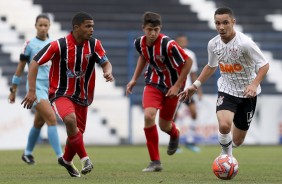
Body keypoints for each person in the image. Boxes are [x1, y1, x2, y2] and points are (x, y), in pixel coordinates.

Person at [21, 12, 114, 177]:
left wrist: (107, 72)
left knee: (76, 133)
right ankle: (85, 159)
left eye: (92, 26)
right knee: (70, 120)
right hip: (60, 93)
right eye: (88, 26)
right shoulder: (59, 45)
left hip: (82, 96)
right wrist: (32, 91)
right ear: (76, 28)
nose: (92, 29)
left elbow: (105, 62)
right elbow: (35, 61)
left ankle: (66, 160)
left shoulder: (94, 44)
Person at [178, 7, 269, 157]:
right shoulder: (213, 44)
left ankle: (228, 150)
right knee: (225, 124)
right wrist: (194, 86)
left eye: (225, 22)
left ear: (233, 22)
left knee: (238, 141)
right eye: (217, 23)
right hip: (226, 89)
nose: (221, 27)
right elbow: (211, 66)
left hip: (248, 93)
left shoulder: (245, 43)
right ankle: (226, 156)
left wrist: (254, 84)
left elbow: (264, 65)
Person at [126, 12, 192, 172]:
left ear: (160, 28)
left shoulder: (168, 44)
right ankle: (155, 161)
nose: (153, 33)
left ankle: (175, 134)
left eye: (156, 29)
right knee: (148, 116)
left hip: (172, 87)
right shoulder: (139, 43)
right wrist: (134, 78)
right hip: (153, 83)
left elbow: (188, 61)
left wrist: (177, 86)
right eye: (149, 29)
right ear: (143, 28)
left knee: (164, 125)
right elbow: (143, 56)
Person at [8, 14, 63, 165]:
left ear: (49, 26)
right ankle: (61, 156)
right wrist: (13, 90)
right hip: (36, 88)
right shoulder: (29, 44)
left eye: (46, 25)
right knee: (51, 119)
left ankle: (27, 153)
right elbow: (20, 69)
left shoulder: (54, 44)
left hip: (50, 88)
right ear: (35, 26)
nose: (43, 28)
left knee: (39, 123)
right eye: (40, 25)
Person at [175, 34, 203, 153]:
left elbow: (193, 74)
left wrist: (198, 90)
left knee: (194, 113)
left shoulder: (191, 54)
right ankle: (174, 143)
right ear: (176, 42)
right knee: (173, 117)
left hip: (188, 90)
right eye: (181, 41)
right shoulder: (172, 53)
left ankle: (190, 141)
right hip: (176, 90)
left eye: (184, 40)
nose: (183, 42)